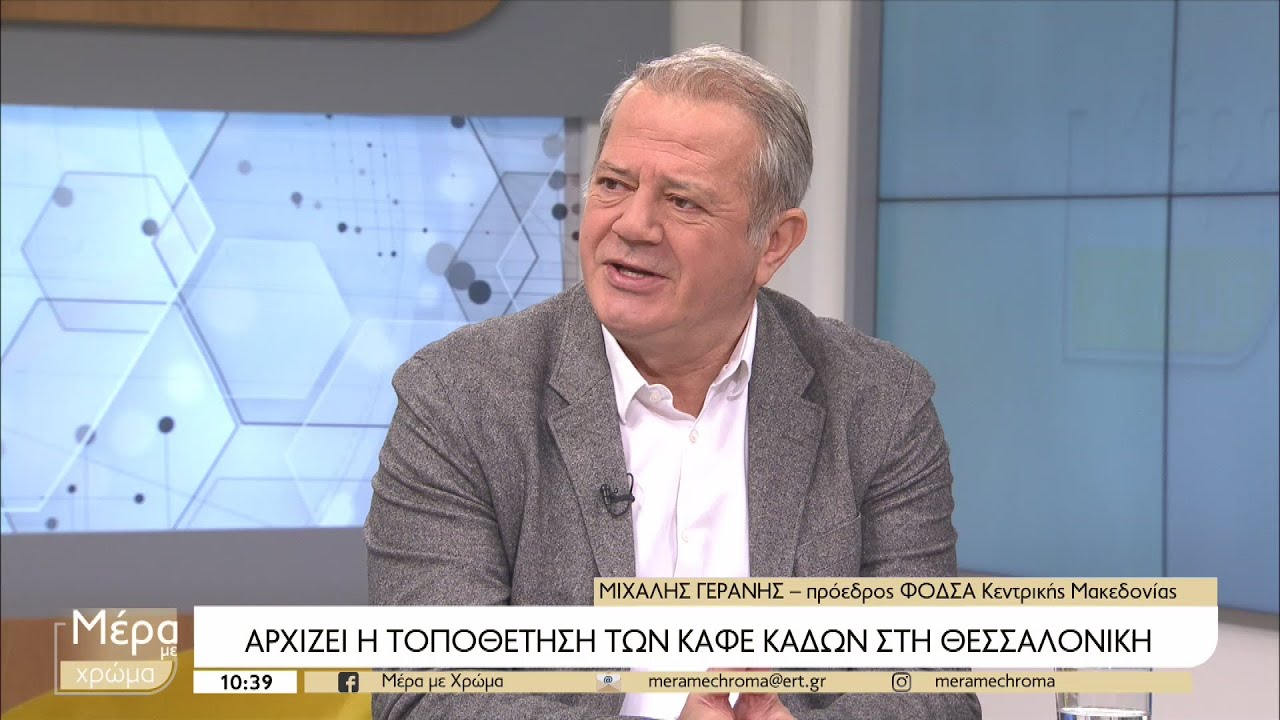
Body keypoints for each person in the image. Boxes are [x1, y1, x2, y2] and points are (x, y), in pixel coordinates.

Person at [365, 44, 981, 720]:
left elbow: (934, 686)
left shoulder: (880, 402)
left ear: (774, 243)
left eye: (682, 201)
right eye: (613, 184)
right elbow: (428, 691)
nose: (632, 225)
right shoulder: (458, 397)